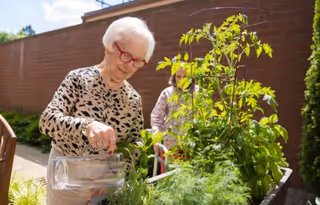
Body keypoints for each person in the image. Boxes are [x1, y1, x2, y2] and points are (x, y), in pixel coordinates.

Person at [39, 16, 155, 205]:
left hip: (104, 183)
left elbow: (136, 142)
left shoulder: (134, 99)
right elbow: (47, 121)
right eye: (126, 55)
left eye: (138, 61)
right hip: (67, 178)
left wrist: (114, 173)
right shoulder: (78, 79)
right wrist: (86, 125)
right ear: (109, 46)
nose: (130, 66)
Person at [151, 64, 198, 172]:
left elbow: (207, 117)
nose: (181, 80)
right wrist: (156, 137)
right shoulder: (167, 93)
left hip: (192, 146)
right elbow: (157, 117)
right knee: (170, 178)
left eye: (185, 76)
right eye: (178, 76)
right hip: (170, 146)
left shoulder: (199, 94)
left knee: (190, 177)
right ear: (174, 77)